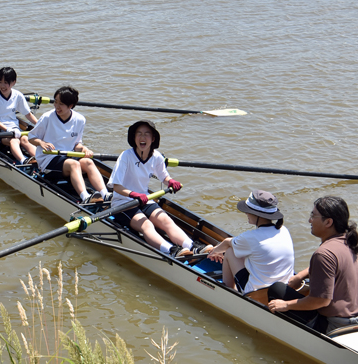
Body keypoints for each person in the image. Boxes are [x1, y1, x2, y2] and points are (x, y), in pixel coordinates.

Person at [268, 196, 358, 334]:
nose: (309, 220)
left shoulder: (323, 254)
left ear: (328, 222)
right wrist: (300, 276)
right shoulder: (348, 241)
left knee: (277, 290)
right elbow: (332, 267)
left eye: (313, 215)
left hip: (336, 325)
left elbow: (321, 301)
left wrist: (285, 305)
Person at [108, 119, 212, 259]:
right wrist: (133, 194)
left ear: (153, 138)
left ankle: (192, 247)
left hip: (145, 200)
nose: (142, 138)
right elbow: (116, 187)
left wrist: (171, 181)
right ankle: (170, 250)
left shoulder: (156, 156)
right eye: (138, 134)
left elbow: (164, 176)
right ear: (134, 137)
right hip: (123, 203)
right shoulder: (126, 156)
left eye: (146, 134)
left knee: (167, 221)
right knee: (147, 225)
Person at [28, 86, 111, 204]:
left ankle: (105, 194)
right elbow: (31, 138)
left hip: (69, 157)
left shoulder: (80, 120)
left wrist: (84, 148)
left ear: (70, 105)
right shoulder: (47, 117)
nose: (57, 106)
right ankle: (85, 197)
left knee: (88, 162)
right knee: (74, 164)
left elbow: (77, 144)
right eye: (55, 102)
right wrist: (41, 142)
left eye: (61, 104)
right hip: (48, 158)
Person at [207, 190, 294, 294]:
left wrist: (214, 252)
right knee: (242, 250)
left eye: (248, 210)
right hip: (283, 289)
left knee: (230, 251)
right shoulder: (283, 230)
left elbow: (226, 243)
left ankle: (228, 290)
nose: (246, 213)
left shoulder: (250, 237)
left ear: (258, 214)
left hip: (256, 293)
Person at [0, 67, 38, 165]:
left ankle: (40, 159)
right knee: (14, 141)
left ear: (13, 82)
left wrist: (41, 125)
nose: (2, 86)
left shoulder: (18, 95)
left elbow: (28, 114)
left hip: (13, 129)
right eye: (0, 82)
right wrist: (7, 130)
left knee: (25, 139)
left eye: (5, 82)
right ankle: (23, 161)